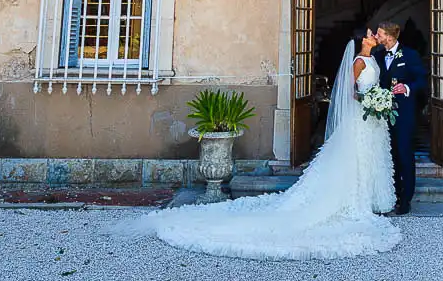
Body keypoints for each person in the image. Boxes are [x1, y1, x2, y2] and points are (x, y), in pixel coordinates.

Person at [116, 32, 400, 259]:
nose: (371, 35)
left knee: (368, 158)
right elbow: (350, 93)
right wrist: (368, 102)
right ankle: (350, 200)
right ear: (360, 43)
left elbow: (375, 87)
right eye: (369, 35)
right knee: (352, 159)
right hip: (359, 120)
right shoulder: (358, 63)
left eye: (374, 34)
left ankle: (369, 197)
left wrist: (379, 100)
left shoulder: (373, 61)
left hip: (371, 123)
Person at [372, 21, 426, 215]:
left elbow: (421, 80)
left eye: (379, 34)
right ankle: (391, 194)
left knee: (404, 154)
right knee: (389, 155)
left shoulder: (410, 55)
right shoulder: (377, 56)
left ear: (390, 36)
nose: (377, 37)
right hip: (381, 116)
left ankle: (406, 199)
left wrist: (407, 87)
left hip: (403, 115)